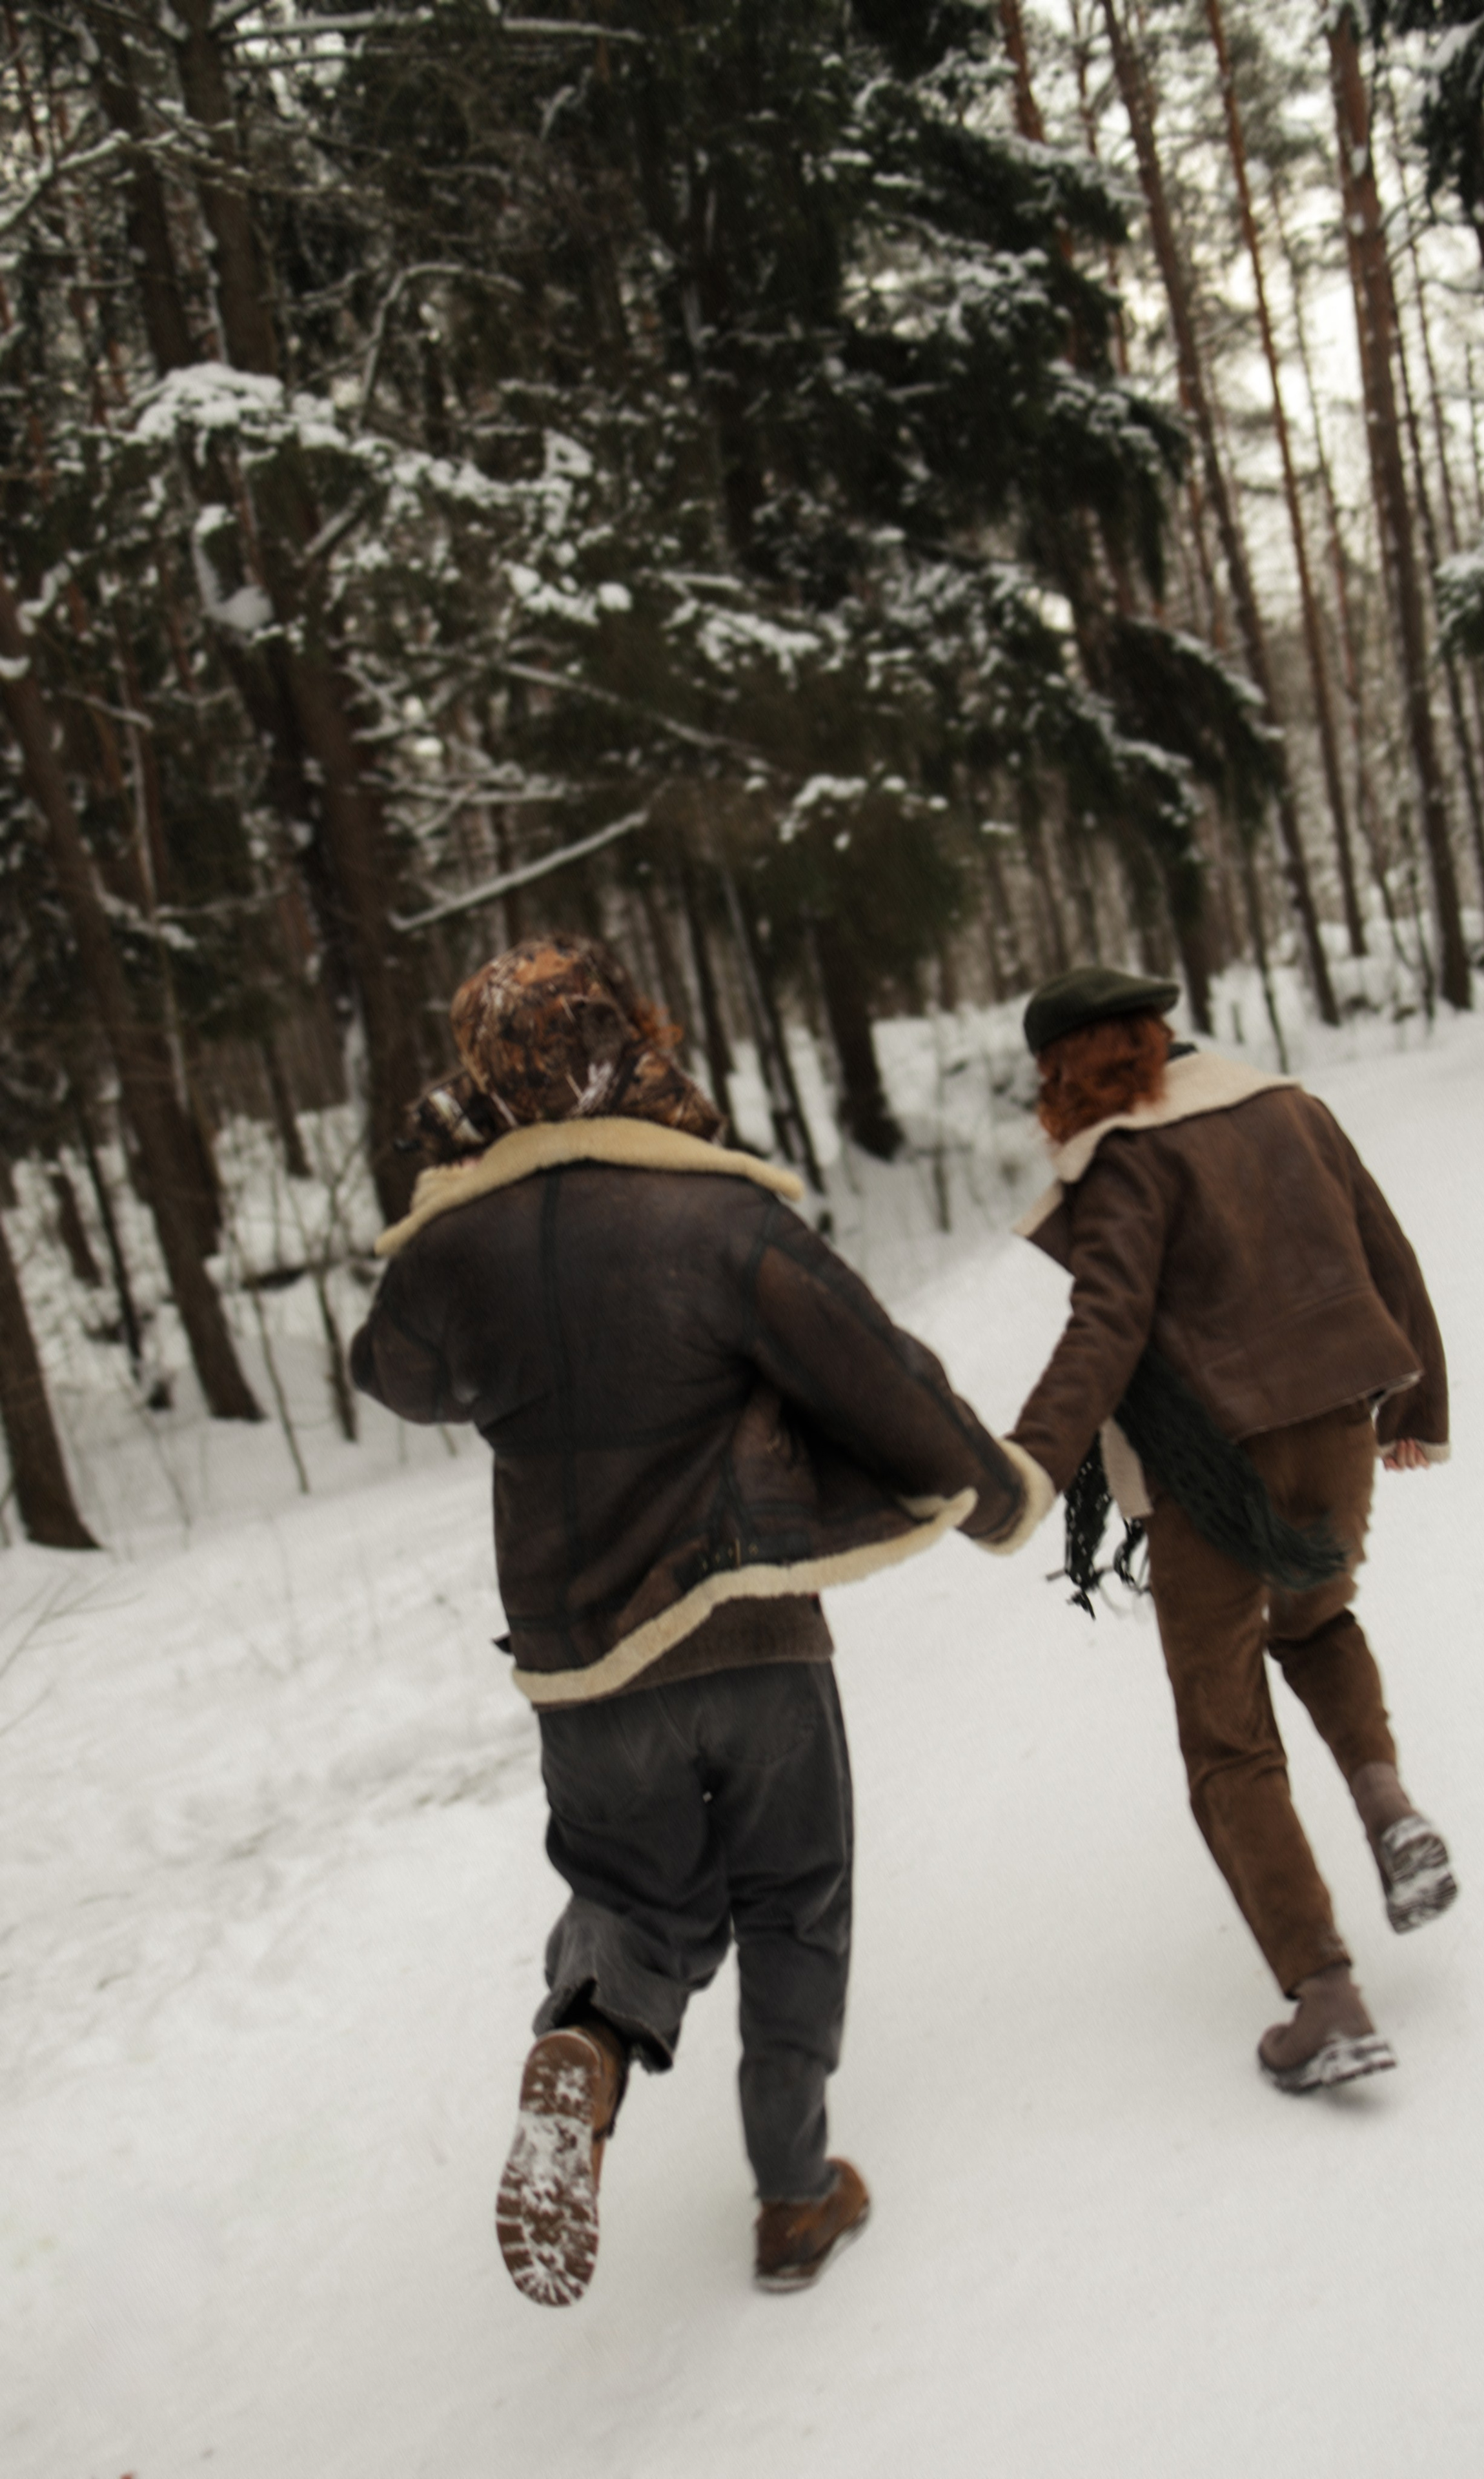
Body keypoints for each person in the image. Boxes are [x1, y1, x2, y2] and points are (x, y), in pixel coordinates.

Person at [349, 933, 1047, 2302]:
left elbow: (392, 1374)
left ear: (483, 1075)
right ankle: (792, 2197)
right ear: (625, 1036)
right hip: (751, 1640)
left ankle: (587, 2051)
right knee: (794, 1902)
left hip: (581, 1672)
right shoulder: (715, 1216)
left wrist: (457, 1207)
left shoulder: (450, 1254)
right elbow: (875, 1371)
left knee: (630, 1898)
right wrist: (993, 1492)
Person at [1006, 964, 1457, 2093]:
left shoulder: (1123, 1155)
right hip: (1335, 1431)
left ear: (1065, 1069)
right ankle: (1387, 1805)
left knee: (1226, 1740)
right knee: (1315, 1624)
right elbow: (1385, 1251)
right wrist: (1417, 1406)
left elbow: (1106, 1329)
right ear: (1158, 1033)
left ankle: (1326, 1998)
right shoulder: (1287, 1106)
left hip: (1215, 1473)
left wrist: (1027, 1466)